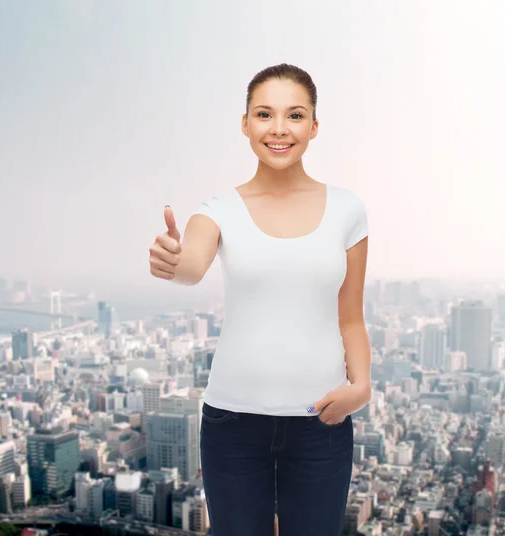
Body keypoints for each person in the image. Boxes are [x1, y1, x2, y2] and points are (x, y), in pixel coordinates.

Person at [149, 63, 371, 536]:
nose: (278, 129)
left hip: (322, 421)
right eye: (264, 114)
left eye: (294, 115)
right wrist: (174, 261)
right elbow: (191, 264)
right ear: (245, 124)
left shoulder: (348, 210)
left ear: (314, 126)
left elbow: (350, 315)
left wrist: (362, 385)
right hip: (232, 423)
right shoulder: (218, 209)